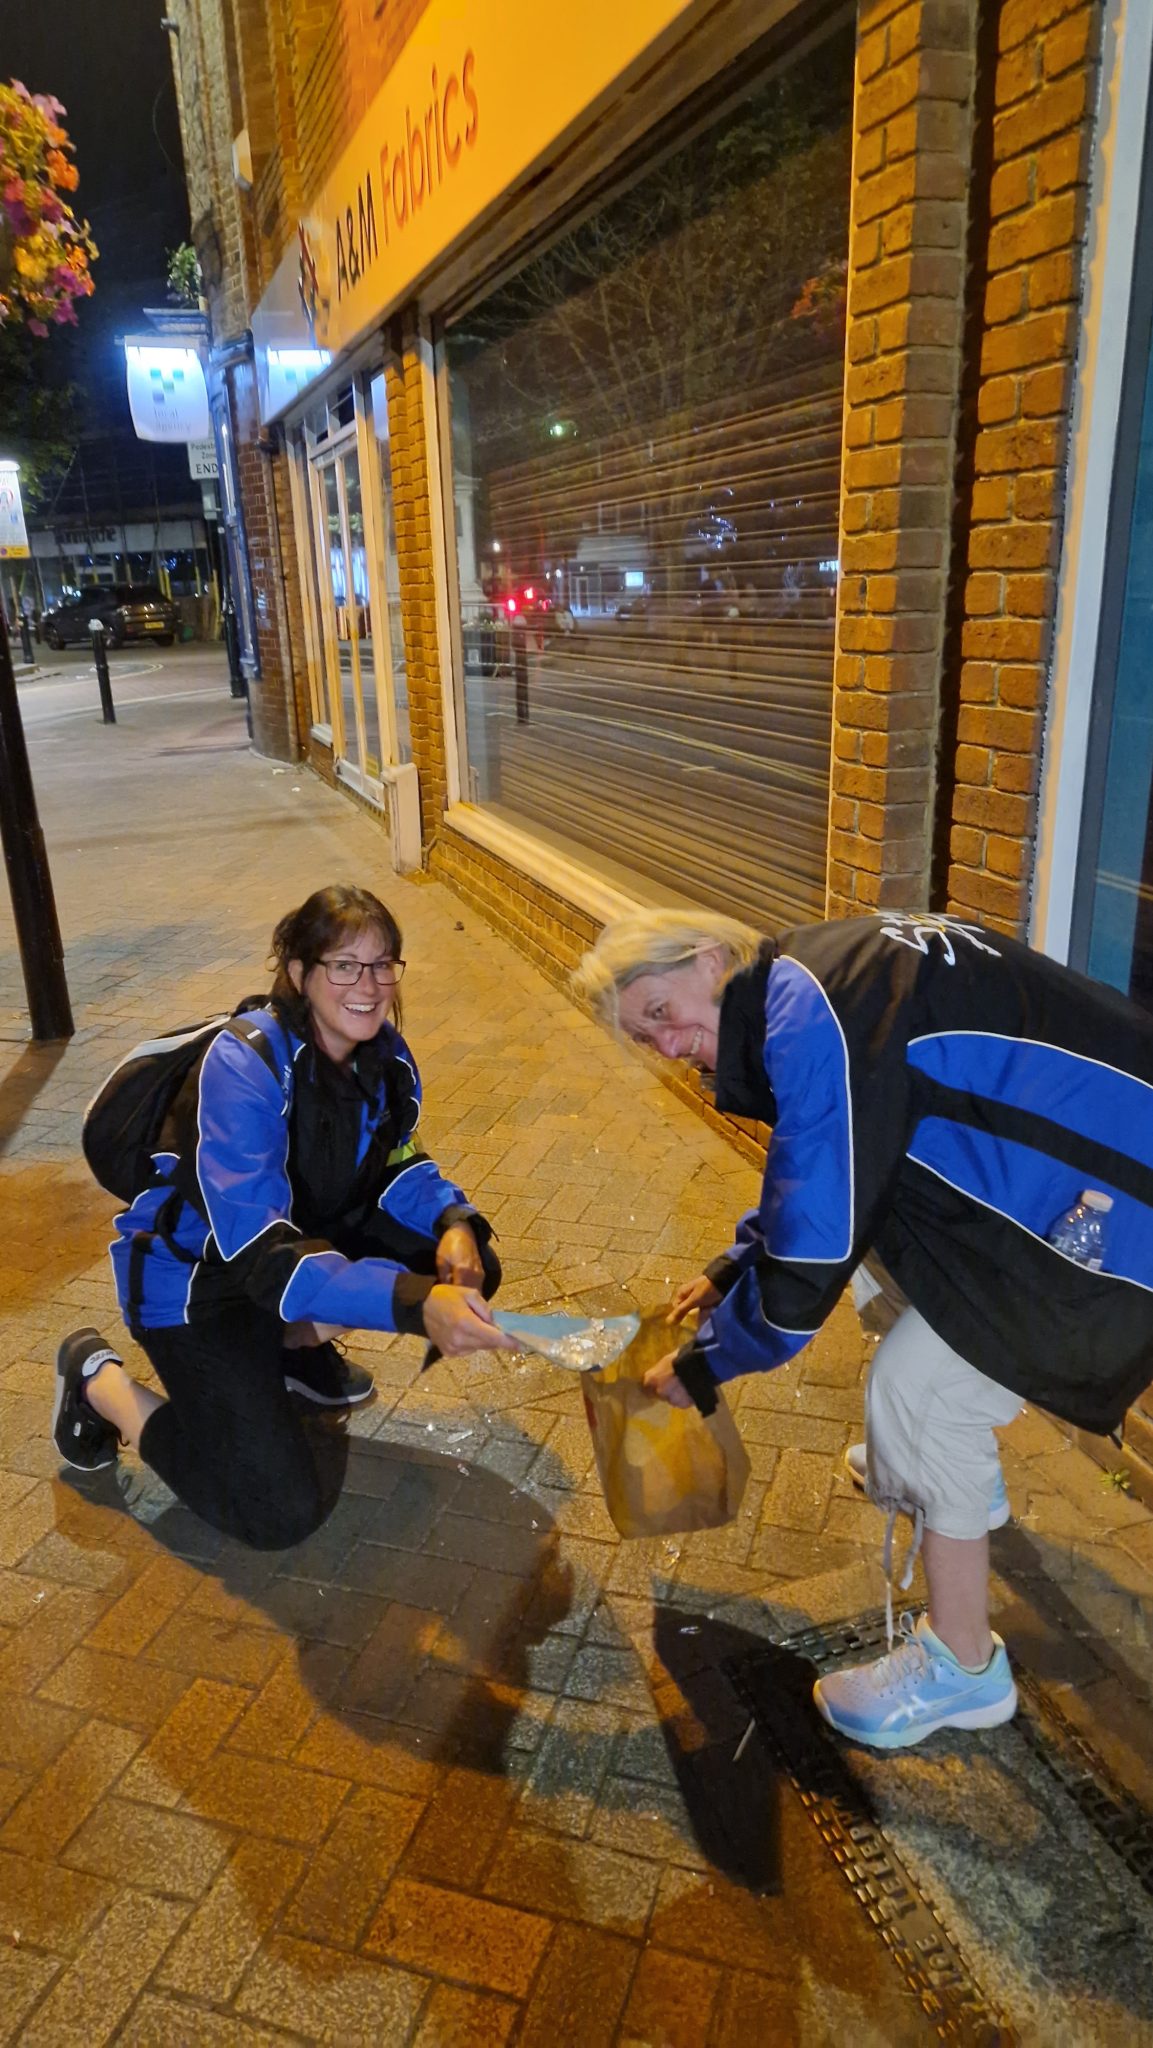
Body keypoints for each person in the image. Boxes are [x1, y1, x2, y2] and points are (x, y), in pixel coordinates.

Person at [573, 907, 1153, 1750]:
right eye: (643, 1038)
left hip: (1111, 1194)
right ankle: (957, 1486)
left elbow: (809, 1260)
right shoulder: (816, 975)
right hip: (1080, 1157)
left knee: (917, 1393)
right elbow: (838, 1161)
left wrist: (705, 1364)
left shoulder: (811, 1015)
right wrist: (734, 1263)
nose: (665, 1046)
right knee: (880, 1270)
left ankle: (962, 1670)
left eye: (659, 1013)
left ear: (707, 960)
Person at [54, 883, 517, 1549]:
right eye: (345, 965)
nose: (370, 984)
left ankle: (289, 1348)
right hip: (197, 1282)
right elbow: (263, 1254)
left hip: (284, 1257)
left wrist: (455, 1223)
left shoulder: (384, 1057)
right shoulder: (246, 1063)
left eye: (384, 963)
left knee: (472, 1265)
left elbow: (395, 1162)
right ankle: (97, 1380)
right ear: (299, 974)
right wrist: (416, 1304)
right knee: (278, 1512)